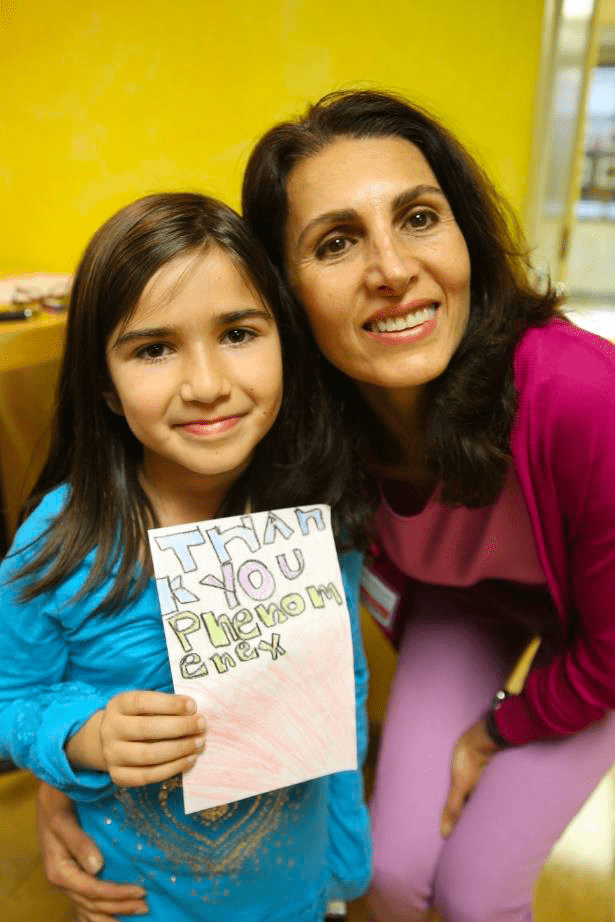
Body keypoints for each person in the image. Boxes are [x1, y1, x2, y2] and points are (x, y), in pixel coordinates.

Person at [39, 89, 615, 922]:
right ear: (281, 293)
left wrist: (496, 733)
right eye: (337, 242)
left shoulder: (584, 396)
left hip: (601, 644)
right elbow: (153, 639)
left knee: (477, 893)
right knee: (388, 872)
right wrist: (70, 779)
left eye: (419, 218)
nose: (390, 270)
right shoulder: (273, 419)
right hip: (460, 606)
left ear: (465, 235)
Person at [0, 192, 372, 922]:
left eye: (237, 332)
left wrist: (341, 869)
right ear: (105, 385)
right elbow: (11, 696)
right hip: (142, 903)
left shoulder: (317, 517)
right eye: (154, 349)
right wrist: (82, 735)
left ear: (283, 343)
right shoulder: (60, 539)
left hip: (293, 895)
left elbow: (343, 686)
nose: (206, 384)